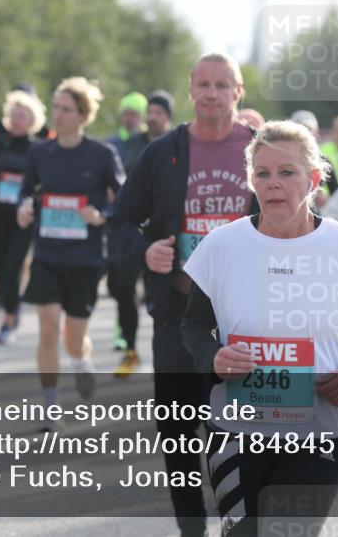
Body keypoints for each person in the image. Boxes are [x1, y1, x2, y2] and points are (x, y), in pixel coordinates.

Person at [181, 120, 338, 536]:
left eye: (287, 173)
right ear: (250, 180)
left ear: (313, 179)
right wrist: (213, 358)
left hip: (320, 430)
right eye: (262, 173)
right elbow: (193, 324)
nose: (273, 184)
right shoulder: (222, 245)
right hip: (235, 430)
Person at [110, 52, 259, 537]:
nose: (212, 93)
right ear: (191, 91)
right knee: (177, 433)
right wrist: (146, 249)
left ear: (238, 93)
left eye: (223, 85)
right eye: (204, 84)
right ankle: (192, 528)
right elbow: (120, 222)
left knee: (236, 431)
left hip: (243, 318)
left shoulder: (261, 150)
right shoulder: (163, 153)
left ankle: (240, 523)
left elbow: (299, 220)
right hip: (177, 314)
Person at [17, 78, 123, 422]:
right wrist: (23, 209)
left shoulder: (102, 155)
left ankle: (80, 360)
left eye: (66, 110)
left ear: (83, 115)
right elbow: (24, 193)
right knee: (48, 327)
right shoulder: (39, 152)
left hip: (86, 258)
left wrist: (100, 215)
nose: (58, 115)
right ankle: (50, 407)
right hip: (47, 253)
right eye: (56, 108)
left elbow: (122, 201)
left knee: (73, 338)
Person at [108, 90, 174, 376]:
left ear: (168, 118)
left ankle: (166, 360)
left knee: (159, 301)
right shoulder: (132, 145)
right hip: (133, 231)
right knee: (122, 291)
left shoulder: (177, 147)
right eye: (151, 111)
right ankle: (131, 351)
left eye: (159, 113)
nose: (152, 117)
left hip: (163, 234)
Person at [0, 90, 47, 344]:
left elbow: (46, 182)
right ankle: (11, 306)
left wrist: (35, 200)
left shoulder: (38, 149)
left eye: (22, 116)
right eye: (13, 115)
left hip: (23, 216)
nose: (17, 120)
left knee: (12, 266)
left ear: (33, 120)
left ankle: (9, 318)